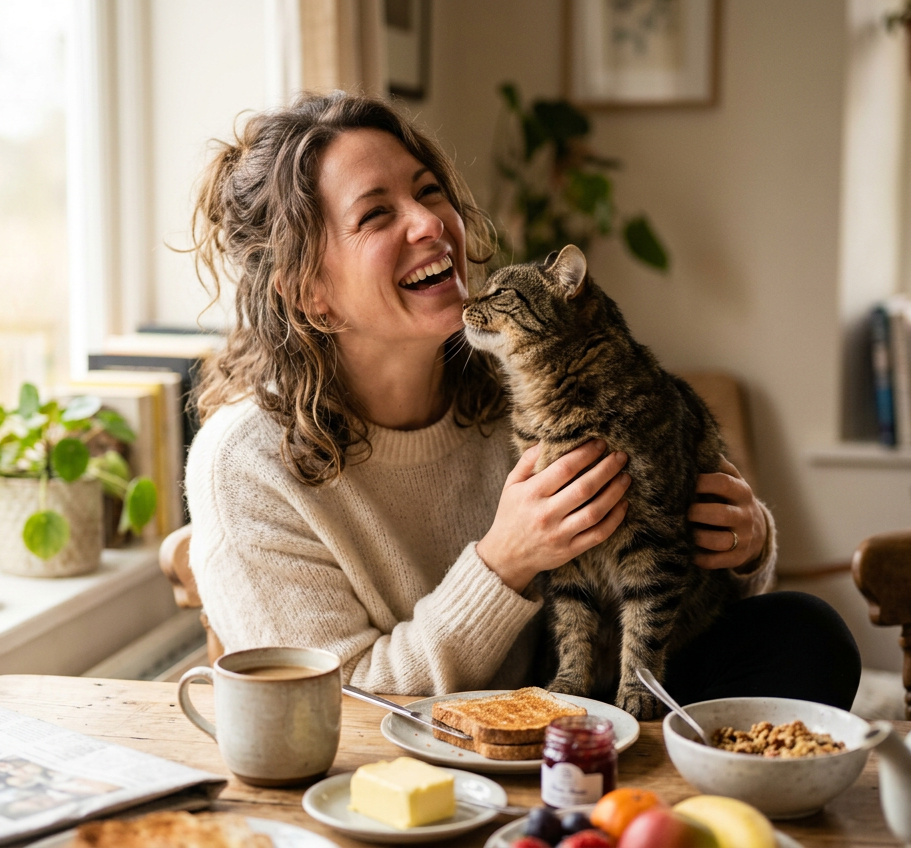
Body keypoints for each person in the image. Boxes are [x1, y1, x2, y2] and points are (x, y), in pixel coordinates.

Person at [185, 92, 860, 709]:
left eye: (428, 191)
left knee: (806, 634)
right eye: (377, 213)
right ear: (309, 292)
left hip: (573, 710)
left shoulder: (531, 382)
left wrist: (744, 543)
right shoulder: (244, 464)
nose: (430, 222)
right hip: (413, 766)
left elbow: (654, 576)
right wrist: (503, 563)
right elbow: (339, 704)